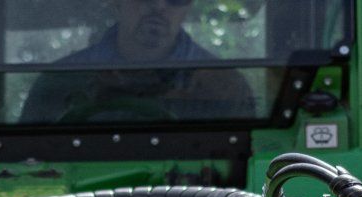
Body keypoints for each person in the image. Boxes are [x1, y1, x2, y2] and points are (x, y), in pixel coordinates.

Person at [20, 0, 256, 124]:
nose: (159, 5)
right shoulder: (59, 82)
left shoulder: (223, 85)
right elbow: (24, 167)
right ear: (115, 1)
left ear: (189, 5)